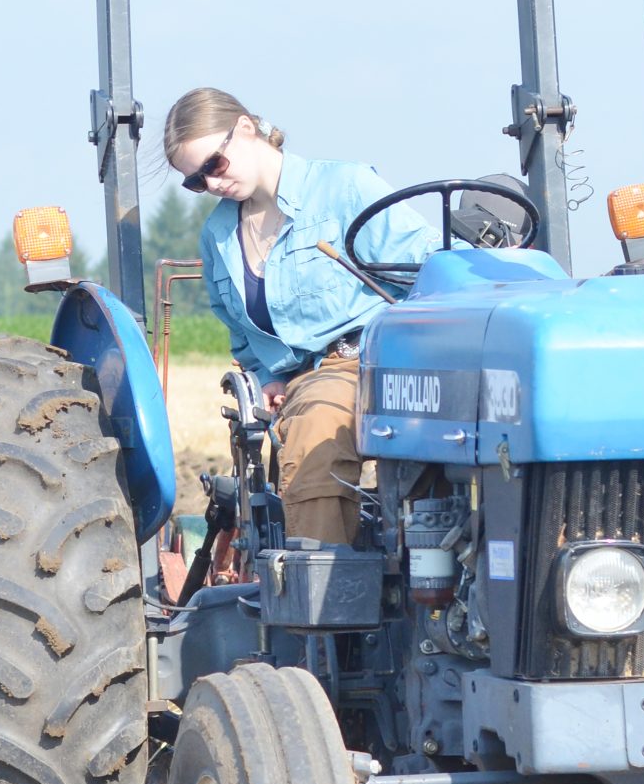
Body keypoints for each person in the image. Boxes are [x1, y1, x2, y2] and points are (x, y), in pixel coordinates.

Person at [163, 89, 438, 546]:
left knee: (317, 429)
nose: (211, 183)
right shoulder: (218, 235)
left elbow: (428, 261)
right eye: (196, 180)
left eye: (214, 164)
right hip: (308, 382)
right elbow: (236, 327)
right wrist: (267, 374)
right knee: (312, 426)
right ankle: (322, 583)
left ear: (246, 129)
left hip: (380, 357)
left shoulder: (344, 188)